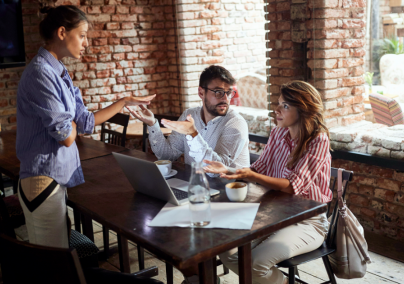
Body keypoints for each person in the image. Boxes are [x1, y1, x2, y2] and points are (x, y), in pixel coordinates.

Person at [16, 5, 155, 249]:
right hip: (41, 184)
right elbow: (66, 136)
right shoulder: (40, 73)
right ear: (62, 32)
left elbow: (84, 121)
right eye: (82, 35)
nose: (86, 43)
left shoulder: (59, 73)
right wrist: (71, 123)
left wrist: (123, 101)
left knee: (60, 261)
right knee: (54, 269)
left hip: (54, 181)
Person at [204, 81, 332, 284]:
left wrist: (252, 176)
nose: (277, 109)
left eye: (285, 106)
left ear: (303, 109)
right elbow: (259, 169)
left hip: (309, 221)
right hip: (275, 214)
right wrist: (228, 170)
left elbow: (292, 186)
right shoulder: (278, 132)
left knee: (256, 264)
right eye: (279, 103)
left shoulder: (318, 140)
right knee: (226, 251)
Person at [127, 65, 250, 174]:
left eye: (228, 92)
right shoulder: (190, 115)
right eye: (218, 92)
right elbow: (167, 154)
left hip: (230, 191)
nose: (225, 99)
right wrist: (152, 123)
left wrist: (193, 134)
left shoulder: (235, 123)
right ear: (201, 93)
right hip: (195, 185)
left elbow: (214, 171)